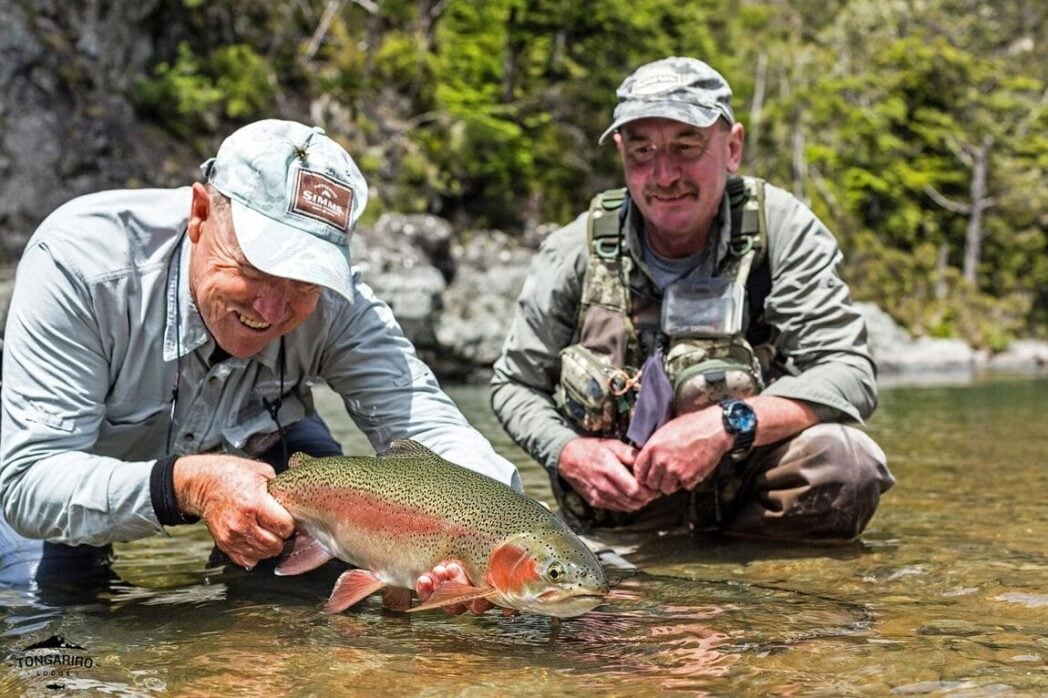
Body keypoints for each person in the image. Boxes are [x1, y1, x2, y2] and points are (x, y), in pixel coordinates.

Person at [0, 119, 519, 602]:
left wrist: (505, 531)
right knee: (45, 617)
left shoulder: (340, 304)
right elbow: (27, 482)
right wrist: (187, 485)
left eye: (303, 280)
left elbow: (425, 418)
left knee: (319, 593)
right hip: (65, 477)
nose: (272, 308)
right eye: (257, 267)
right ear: (200, 215)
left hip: (267, 452)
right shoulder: (81, 265)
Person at [491, 57, 893, 542]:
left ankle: (769, 594)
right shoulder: (572, 250)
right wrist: (568, 452)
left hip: (752, 494)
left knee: (848, 462)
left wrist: (727, 425)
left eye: (686, 146)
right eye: (642, 151)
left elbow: (848, 370)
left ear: (733, 148)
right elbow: (514, 384)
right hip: (626, 511)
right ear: (621, 152)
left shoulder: (782, 229)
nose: (664, 175)